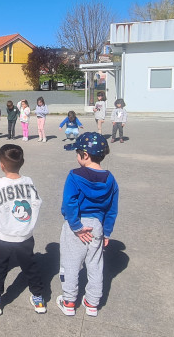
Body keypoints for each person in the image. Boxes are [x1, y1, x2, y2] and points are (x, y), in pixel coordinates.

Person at [0, 144, 46, 316]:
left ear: (1, 165)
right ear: (22, 162)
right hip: (24, 235)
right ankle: (38, 296)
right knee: (30, 265)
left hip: (2, 236)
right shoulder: (29, 182)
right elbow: (37, 202)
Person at [59, 132, 119, 317]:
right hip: (97, 226)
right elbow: (111, 209)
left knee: (70, 263)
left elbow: (69, 203)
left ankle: (69, 301)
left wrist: (76, 226)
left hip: (77, 224)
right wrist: (106, 233)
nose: (77, 157)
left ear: (85, 155)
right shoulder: (110, 179)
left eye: (77, 153)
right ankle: (92, 303)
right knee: (95, 265)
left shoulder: (75, 175)